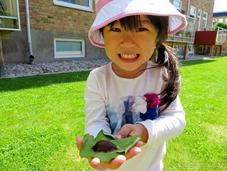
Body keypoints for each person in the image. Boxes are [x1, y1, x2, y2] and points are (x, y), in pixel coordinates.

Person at [76, 0, 187, 170]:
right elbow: (95, 122)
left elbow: (176, 119)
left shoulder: (161, 75)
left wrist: (145, 130)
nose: (127, 42)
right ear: (103, 35)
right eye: (116, 29)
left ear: (158, 36)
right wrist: (98, 144)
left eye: (141, 28)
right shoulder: (97, 78)